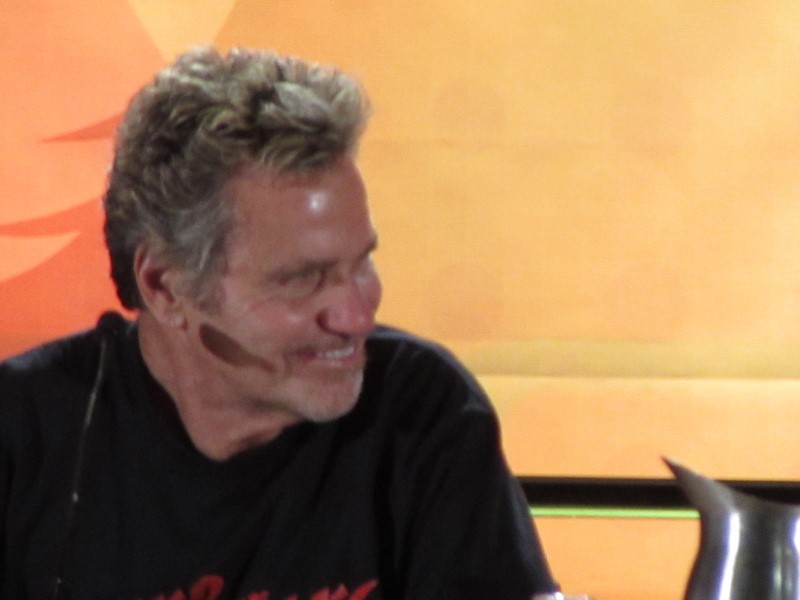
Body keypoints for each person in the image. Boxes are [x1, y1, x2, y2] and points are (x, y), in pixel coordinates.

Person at [0, 46, 557, 599]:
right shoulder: (23, 434)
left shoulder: (422, 412)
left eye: (362, 262)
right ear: (164, 286)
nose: (356, 315)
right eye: (303, 278)